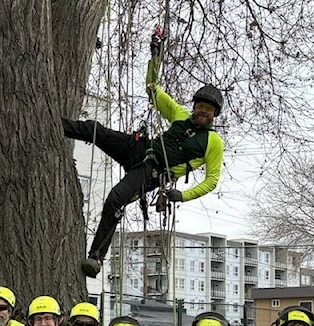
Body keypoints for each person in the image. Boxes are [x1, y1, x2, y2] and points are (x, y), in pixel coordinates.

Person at [63, 33, 225, 276]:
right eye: (200, 106)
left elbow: (212, 180)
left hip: (151, 172)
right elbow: (153, 89)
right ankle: (53, 125)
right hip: (140, 148)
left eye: (208, 109)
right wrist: (155, 57)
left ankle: (96, 258)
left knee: (115, 199)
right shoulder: (179, 114)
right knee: (95, 130)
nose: (203, 111)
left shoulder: (213, 142)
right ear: (194, 106)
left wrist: (181, 195)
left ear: (214, 114)